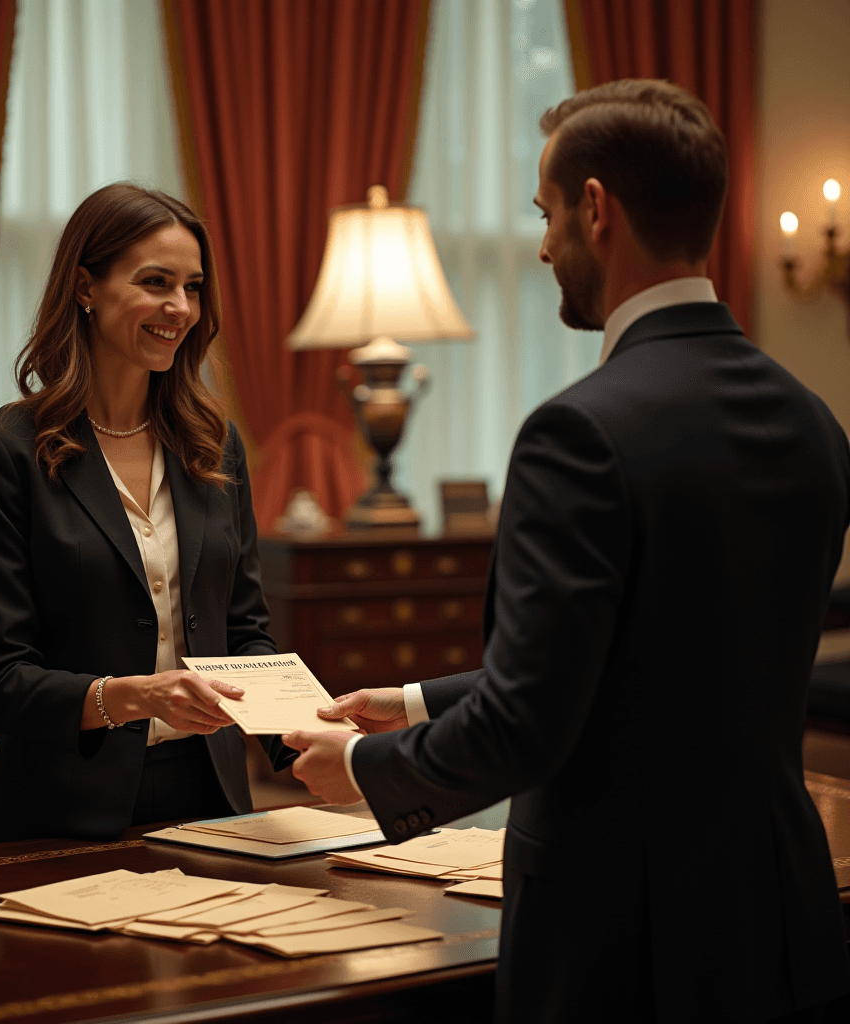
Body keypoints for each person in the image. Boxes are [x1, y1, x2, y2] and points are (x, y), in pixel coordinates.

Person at [284, 80, 850, 1023]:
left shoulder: (579, 432)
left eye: (546, 215)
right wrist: (418, 701)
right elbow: (655, 667)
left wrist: (360, 767)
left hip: (620, 934)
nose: (543, 246)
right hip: (780, 909)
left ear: (597, 208)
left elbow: (528, 726)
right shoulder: (814, 423)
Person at [0, 183, 292, 846]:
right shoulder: (3, 452)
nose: (181, 308)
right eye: (156, 282)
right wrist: (135, 697)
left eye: (193, 287)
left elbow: (246, 635)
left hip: (213, 804)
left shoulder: (213, 445)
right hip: (58, 820)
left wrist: (310, 735)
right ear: (86, 287)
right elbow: (1, 681)